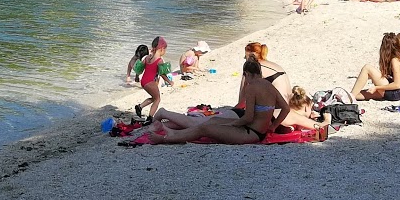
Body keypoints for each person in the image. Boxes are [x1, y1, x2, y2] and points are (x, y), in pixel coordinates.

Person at [128, 57, 301, 144]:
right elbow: (285, 109)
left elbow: (248, 118)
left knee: (206, 127)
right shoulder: (269, 86)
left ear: (247, 74)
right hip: (258, 130)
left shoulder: (252, 87)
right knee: (215, 120)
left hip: (251, 133)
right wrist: (271, 125)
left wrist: (232, 125)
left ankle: (167, 138)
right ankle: (172, 132)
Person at [351, 32, 400, 102]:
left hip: (396, 93)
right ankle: (351, 96)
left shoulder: (395, 60)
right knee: (357, 95)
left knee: (367, 68)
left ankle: (350, 97)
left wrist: (377, 87)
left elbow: (397, 85)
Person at [134, 36, 168, 122]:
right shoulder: (159, 60)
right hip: (150, 82)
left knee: (153, 97)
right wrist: (169, 81)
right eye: (165, 50)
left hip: (144, 82)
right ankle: (150, 118)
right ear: (161, 49)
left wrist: (137, 77)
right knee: (157, 99)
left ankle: (140, 107)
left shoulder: (147, 58)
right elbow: (162, 74)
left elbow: (139, 68)